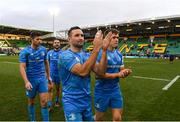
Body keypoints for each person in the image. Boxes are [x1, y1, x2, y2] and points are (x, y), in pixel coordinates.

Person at [59, 26, 112, 121]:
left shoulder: (86, 55)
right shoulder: (65, 55)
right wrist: (96, 49)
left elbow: (101, 72)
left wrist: (104, 50)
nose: (81, 38)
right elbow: (82, 72)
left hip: (86, 101)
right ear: (69, 39)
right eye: (77, 35)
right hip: (71, 101)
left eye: (82, 35)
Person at [94, 29, 132, 121]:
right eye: (113, 37)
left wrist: (125, 72)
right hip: (102, 91)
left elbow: (121, 72)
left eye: (117, 37)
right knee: (99, 118)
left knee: (117, 118)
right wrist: (117, 75)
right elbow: (98, 76)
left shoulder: (119, 54)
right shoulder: (100, 53)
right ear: (106, 39)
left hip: (115, 90)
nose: (116, 40)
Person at [19, 32, 52, 121]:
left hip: (42, 79)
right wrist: (26, 81)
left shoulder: (43, 50)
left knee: (44, 102)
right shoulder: (25, 51)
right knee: (31, 102)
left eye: (40, 39)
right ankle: (33, 120)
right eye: (37, 39)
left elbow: (46, 63)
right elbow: (22, 67)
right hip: (31, 80)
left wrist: (48, 76)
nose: (40, 41)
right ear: (32, 39)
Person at [47, 39, 62, 110]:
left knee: (58, 89)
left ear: (60, 44)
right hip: (51, 74)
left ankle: (57, 101)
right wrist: (46, 74)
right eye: (55, 43)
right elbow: (46, 64)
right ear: (53, 44)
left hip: (59, 74)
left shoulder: (63, 53)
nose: (56, 44)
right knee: (50, 89)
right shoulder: (49, 53)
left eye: (58, 43)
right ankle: (49, 104)